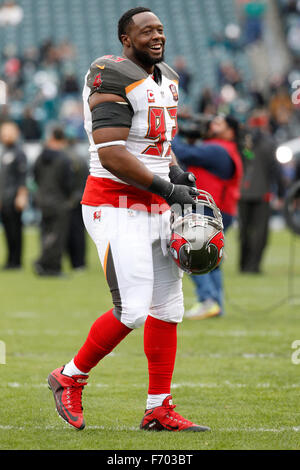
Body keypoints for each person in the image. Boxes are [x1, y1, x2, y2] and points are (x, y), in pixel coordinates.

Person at [47, 7, 211, 433]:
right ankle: (69, 376)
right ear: (126, 38)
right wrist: (166, 189)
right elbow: (113, 153)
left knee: (168, 309)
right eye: (146, 31)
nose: (157, 36)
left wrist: (173, 172)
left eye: (160, 29)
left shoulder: (168, 78)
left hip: (154, 203)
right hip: (115, 204)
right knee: (132, 308)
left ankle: (158, 408)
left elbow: (157, 144)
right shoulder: (109, 73)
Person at [172, 115, 243, 319]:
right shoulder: (223, 149)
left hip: (209, 208)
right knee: (212, 258)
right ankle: (216, 304)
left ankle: (208, 300)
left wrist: (171, 130)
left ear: (231, 131)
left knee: (191, 252)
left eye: (219, 123)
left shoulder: (218, 149)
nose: (211, 124)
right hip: (221, 208)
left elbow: (182, 152)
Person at [238, 109, 285, 273]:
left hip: (242, 191)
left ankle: (243, 264)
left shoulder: (243, 140)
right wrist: (280, 193)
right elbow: (276, 171)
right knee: (260, 232)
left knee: (244, 231)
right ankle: (254, 266)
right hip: (263, 191)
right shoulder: (270, 142)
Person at [33, 127, 74, 277]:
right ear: (62, 140)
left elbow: (35, 176)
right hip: (58, 201)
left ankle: (44, 264)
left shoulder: (40, 157)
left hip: (42, 200)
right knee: (58, 235)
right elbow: (68, 183)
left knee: (45, 233)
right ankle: (51, 266)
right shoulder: (64, 159)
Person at [0, 121, 28, 269]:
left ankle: (16, 261)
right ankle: (9, 259)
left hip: (14, 198)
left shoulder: (19, 152)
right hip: (4, 199)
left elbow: (23, 177)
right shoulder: (3, 151)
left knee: (15, 229)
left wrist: (22, 196)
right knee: (7, 231)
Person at [64, 134, 89, 271]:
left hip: (67, 200)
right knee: (79, 233)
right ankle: (79, 263)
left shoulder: (63, 157)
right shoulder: (80, 159)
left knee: (68, 232)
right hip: (79, 199)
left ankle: (73, 261)